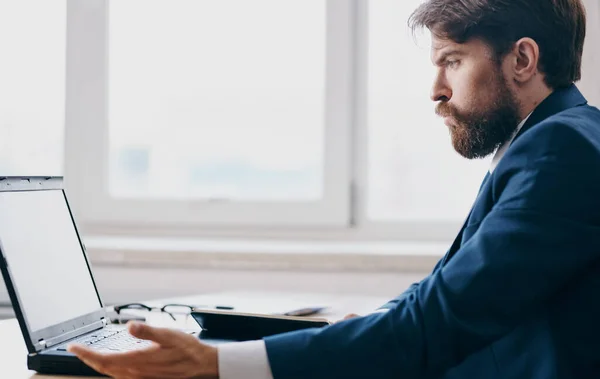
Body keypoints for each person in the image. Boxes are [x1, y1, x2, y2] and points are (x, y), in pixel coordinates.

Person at [68, 0, 600, 378]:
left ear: (523, 60)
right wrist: (372, 325)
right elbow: (450, 293)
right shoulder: (553, 140)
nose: (436, 91)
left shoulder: (560, 152)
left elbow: (440, 321)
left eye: (452, 62)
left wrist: (217, 364)